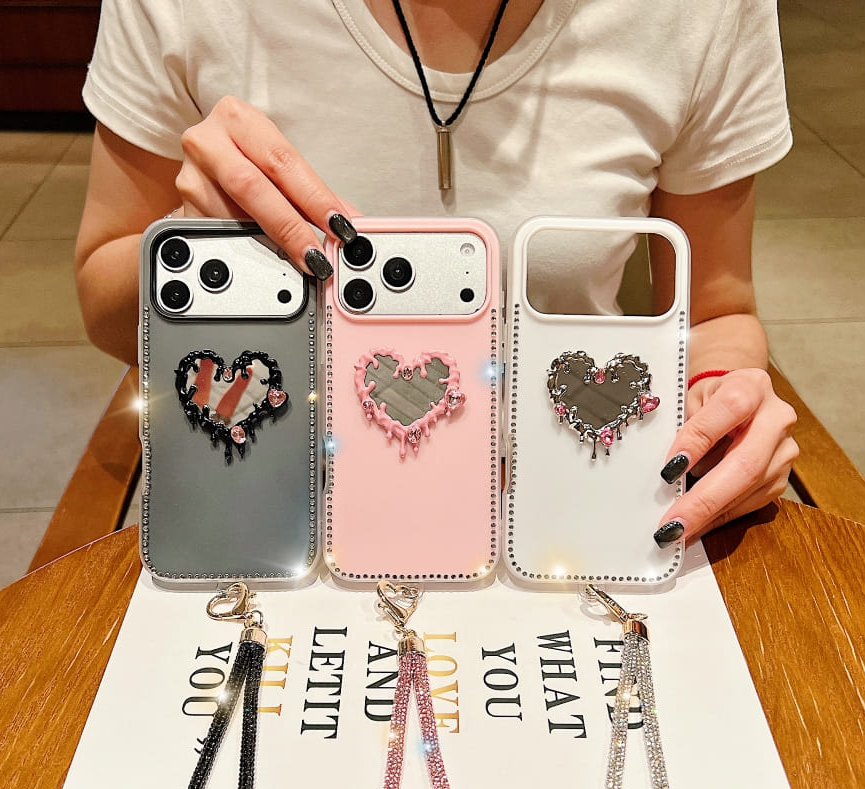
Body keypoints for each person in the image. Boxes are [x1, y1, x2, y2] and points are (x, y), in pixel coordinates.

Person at [75, 0, 798, 546]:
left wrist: (722, 397)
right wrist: (196, 250)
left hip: (573, 503)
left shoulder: (702, 14)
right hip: (265, 500)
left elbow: (715, 312)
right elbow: (104, 306)